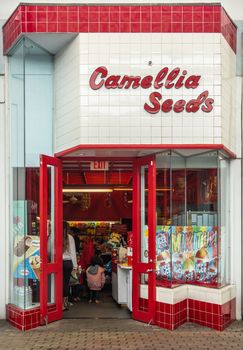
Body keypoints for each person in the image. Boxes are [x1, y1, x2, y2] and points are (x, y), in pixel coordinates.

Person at [62, 221, 77, 311]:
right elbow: (73, 252)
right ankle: (64, 304)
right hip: (68, 263)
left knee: (58, 283)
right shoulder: (70, 237)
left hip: (57, 262)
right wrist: (75, 266)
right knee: (66, 283)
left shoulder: (54, 236)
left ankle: (57, 303)